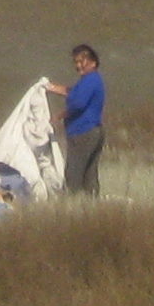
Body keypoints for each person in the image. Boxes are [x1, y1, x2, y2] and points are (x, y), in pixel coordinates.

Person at [44, 43, 104, 198]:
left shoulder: (90, 80)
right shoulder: (89, 81)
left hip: (83, 132)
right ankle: (91, 205)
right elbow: (72, 93)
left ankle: (69, 207)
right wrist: (51, 87)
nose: (78, 66)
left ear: (93, 62)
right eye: (76, 62)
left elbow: (78, 104)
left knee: (74, 173)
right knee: (89, 174)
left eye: (82, 62)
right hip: (93, 131)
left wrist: (57, 117)